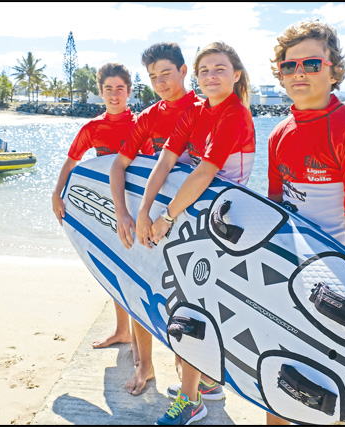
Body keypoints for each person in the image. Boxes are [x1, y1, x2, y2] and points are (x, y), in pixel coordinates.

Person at [265, 19, 345, 425]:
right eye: (289, 65)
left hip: (337, 279)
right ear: (280, 74)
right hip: (289, 271)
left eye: (312, 64)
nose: (299, 73)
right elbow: (276, 211)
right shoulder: (278, 134)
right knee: (281, 381)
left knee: (332, 390)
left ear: (334, 71)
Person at [136, 41, 255, 425]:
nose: (211, 76)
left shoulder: (235, 114)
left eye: (219, 69)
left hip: (225, 225)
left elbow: (205, 171)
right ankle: (208, 383)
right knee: (196, 304)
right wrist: (143, 210)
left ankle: (191, 400)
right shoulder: (196, 110)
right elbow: (165, 159)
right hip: (197, 218)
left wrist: (166, 218)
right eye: (205, 70)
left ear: (236, 75)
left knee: (189, 307)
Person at [109, 42, 223, 398]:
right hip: (154, 220)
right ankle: (145, 365)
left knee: (193, 302)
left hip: (194, 221)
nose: (160, 83)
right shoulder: (149, 117)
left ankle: (196, 376)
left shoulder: (207, 109)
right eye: (153, 76)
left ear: (184, 71)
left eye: (166, 74)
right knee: (139, 285)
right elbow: (118, 165)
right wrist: (124, 213)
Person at [51, 62, 137, 354]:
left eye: (120, 89)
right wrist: (57, 194)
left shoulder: (141, 124)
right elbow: (72, 161)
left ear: (129, 92)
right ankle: (123, 330)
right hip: (107, 206)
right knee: (114, 265)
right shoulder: (93, 128)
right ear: (101, 92)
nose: (114, 95)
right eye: (108, 89)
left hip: (136, 205)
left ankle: (138, 334)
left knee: (137, 267)